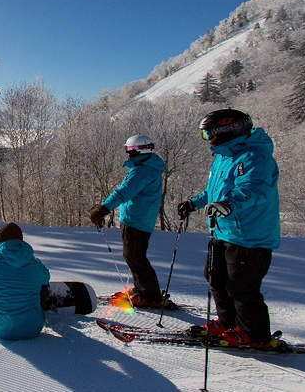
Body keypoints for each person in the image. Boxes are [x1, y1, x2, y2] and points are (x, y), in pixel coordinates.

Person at [177, 109, 280, 348]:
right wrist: (194, 203)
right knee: (215, 278)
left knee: (242, 286)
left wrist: (228, 205)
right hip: (223, 230)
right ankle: (229, 323)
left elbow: (253, 190)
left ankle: (255, 335)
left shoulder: (255, 156)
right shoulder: (224, 156)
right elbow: (214, 191)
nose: (207, 139)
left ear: (227, 131)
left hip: (248, 235)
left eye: (208, 134)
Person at [89, 134, 167, 308]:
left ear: (139, 151)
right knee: (134, 256)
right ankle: (142, 289)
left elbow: (123, 192)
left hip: (136, 220)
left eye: (130, 150)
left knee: (135, 257)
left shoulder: (142, 171)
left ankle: (149, 295)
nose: (128, 153)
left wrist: (103, 209)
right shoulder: (147, 167)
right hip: (140, 219)